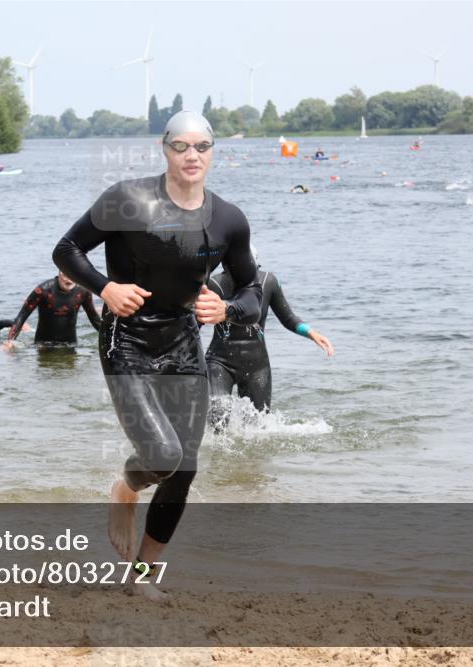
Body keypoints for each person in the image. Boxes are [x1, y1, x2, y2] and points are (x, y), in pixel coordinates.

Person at [53, 110, 262, 601]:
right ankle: (124, 489)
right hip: (125, 341)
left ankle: (142, 576)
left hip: (183, 342)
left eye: (202, 147)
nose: (192, 156)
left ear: (213, 153)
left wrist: (226, 308)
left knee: (183, 467)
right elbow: (66, 250)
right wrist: (105, 288)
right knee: (163, 456)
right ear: (164, 149)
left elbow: (252, 290)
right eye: (181, 146)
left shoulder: (228, 218)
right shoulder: (128, 200)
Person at [206, 247, 334, 429]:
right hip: (219, 362)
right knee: (218, 415)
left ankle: (250, 459)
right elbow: (193, 318)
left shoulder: (268, 281)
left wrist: (312, 333)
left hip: (257, 365)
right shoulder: (214, 284)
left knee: (259, 425)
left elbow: (288, 318)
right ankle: (218, 455)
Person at [1, 271, 101, 349]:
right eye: (65, 274)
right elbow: (21, 317)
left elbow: (94, 319)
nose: (69, 279)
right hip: (42, 345)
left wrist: (112, 339)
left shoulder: (83, 291)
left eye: (72, 274)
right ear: (59, 272)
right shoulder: (43, 290)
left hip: (70, 345)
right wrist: (9, 342)